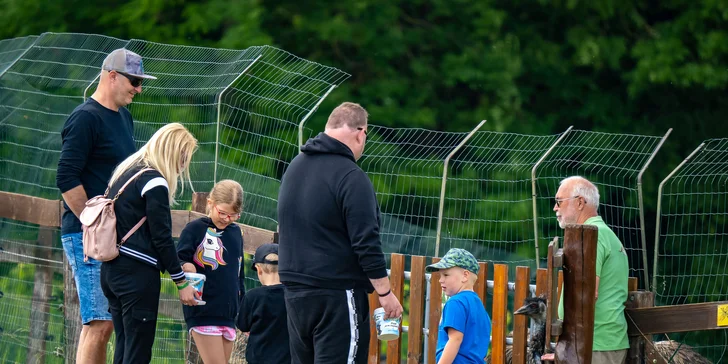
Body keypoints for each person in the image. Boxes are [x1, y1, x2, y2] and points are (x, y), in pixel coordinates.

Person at [277, 102, 403, 364]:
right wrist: (384, 293)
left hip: (295, 290)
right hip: (336, 293)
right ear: (361, 133)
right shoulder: (351, 176)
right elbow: (366, 242)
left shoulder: (295, 168)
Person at [55, 48, 156, 364]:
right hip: (88, 236)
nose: (138, 89)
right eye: (135, 81)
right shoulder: (86, 118)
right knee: (100, 323)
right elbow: (66, 177)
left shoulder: (123, 117)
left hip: (114, 239)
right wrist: (92, 223)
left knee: (101, 323)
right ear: (112, 76)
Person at [100, 123, 199, 364]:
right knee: (138, 353)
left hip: (112, 271)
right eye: (184, 157)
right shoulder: (154, 181)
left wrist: (176, 264)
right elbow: (161, 237)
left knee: (124, 347)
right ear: (174, 151)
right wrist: (181, 281)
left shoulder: (126, 172)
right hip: (136, 275)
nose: (184, 165)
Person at [555, 176, 629, 364]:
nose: (555, 208)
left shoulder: (591, 235)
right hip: (599, 344)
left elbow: (585, 294)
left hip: (594, 346)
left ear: (580, 202)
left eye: (559, 202)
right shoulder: (604, 233)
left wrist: (568, 353)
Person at [177, 179, 246, 364]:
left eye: (233, 215)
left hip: (228, 313)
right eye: (222, 212)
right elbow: (178, 258)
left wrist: (242, 308)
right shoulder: (195, 229)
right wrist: (186, 265)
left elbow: (239, 273)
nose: (226, 219)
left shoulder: (236, 233)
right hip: (204, 310)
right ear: (210, 203)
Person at [426, 248, 491, 364]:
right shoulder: (479, 306)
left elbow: (455, 339)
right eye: (440, 275)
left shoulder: (455, 303)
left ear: (465, 275)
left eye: (446, 275)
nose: (440, 280)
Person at [236, 243, 290, 364]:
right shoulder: (292, 296)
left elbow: (243, 325)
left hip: (258, 358)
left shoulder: (252, 296)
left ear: (259, 269)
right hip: (287, 359)